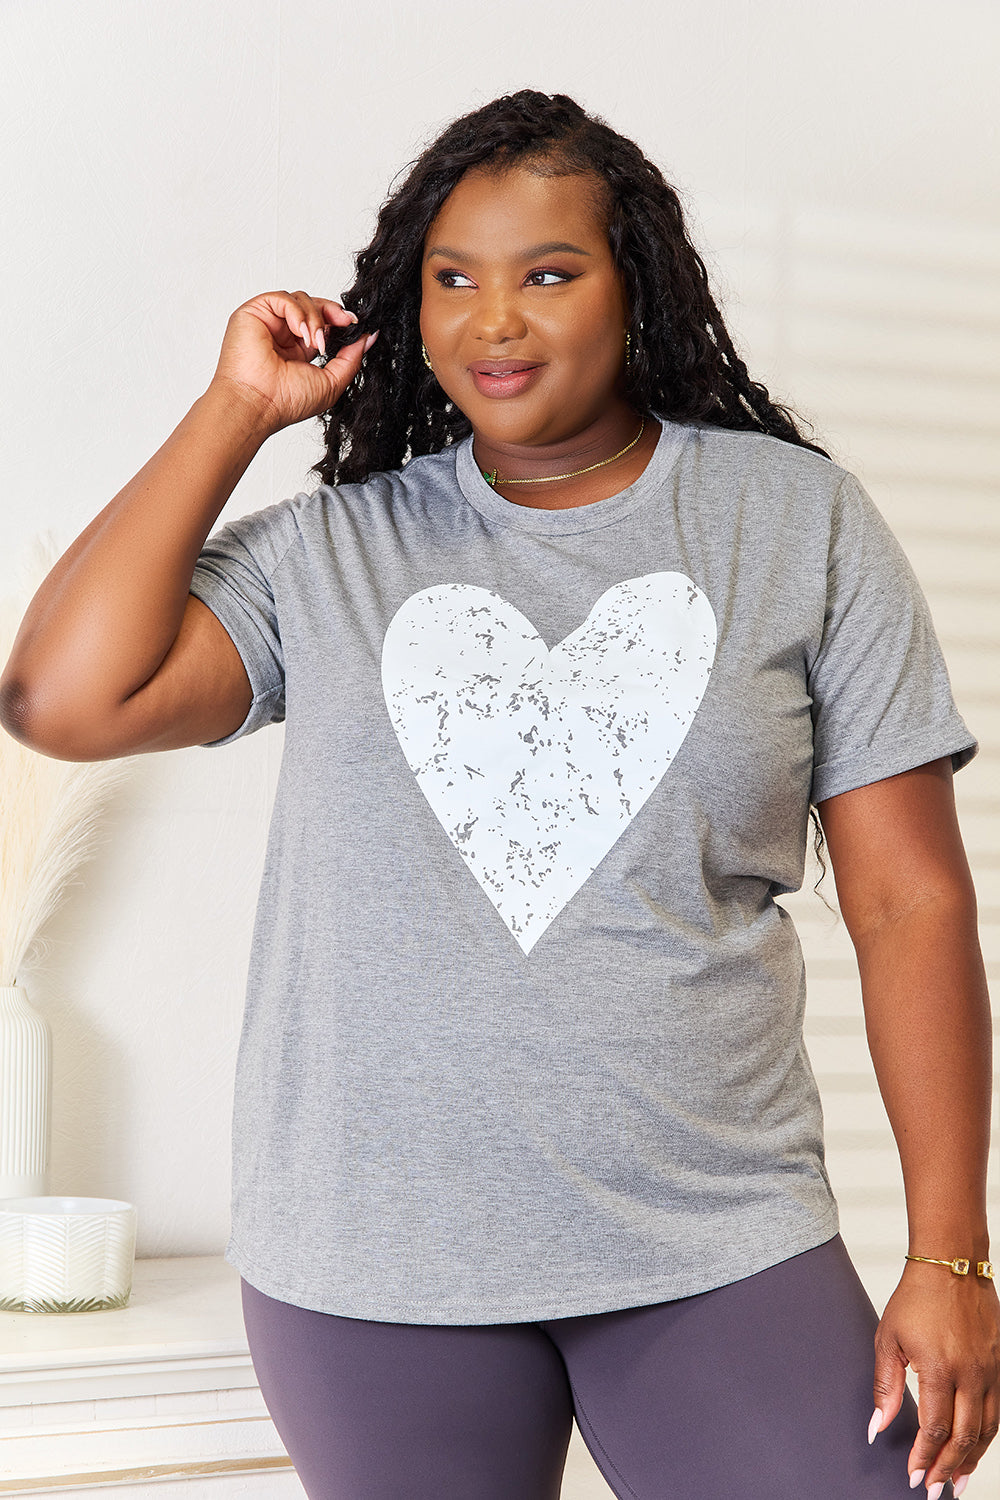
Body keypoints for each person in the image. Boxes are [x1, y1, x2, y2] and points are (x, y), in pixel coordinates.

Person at [1, 89, 996, 1500]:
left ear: (634, 286)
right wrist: (239, 408)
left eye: (548, 273)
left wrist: (950, 1252)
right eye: (453, 280)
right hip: (371, 1259)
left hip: (711, 1239)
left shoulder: (793, 521)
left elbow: (910, 901)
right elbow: (59, 696)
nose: (494, 321)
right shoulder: (335, 554)